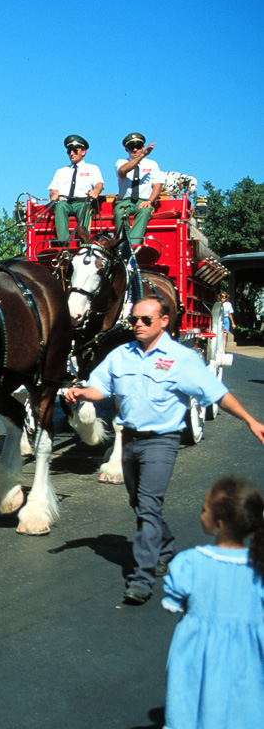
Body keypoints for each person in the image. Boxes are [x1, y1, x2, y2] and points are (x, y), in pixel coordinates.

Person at [65, 296, 264, 604]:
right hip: (129, 439)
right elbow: (99, 389)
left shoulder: (181, 358)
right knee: (139, 502)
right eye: (134, 320)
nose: (138, 325)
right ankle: (167, 546)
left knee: (147, 504)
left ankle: (142, 578)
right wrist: (80, 393)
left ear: (164, 321)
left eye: (146, 320)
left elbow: (217, 394)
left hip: (162, 441)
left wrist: (251, 421)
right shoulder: (121, 355)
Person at [161, 475, 264, 729]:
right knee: (244, 705)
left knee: (195, 705)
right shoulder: (258, 569)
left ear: (218, 523)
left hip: (198, 655)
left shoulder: (190, 563)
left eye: (203, 509)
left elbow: (172, 604)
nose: (200, 513)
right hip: (249, 657)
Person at [48, 135, 105, 243]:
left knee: (86, 208)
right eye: (69, 151)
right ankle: (63, 242)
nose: (71, 153)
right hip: (66, 203)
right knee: (60, 206)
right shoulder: (61, 171)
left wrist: (96, 191)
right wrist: (54, 194)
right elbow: (54, 189)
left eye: (75, 150)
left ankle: (83, 242)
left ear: (83, 152)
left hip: (82, 202)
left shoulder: (92, 168)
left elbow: (99, 184)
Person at [113, 132, 164, 245]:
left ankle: (131, 246)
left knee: (145, 211)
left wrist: (149, 201)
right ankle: (122, 243)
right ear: (127, 149)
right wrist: (142, 155)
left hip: (144, 201)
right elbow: (122, 172)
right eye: (132, 147)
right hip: (125, 201)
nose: (135, 150)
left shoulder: (152, 164)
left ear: (143, 147)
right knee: (120, 211)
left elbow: (157, 185)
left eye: (138, 147)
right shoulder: (121, 162)